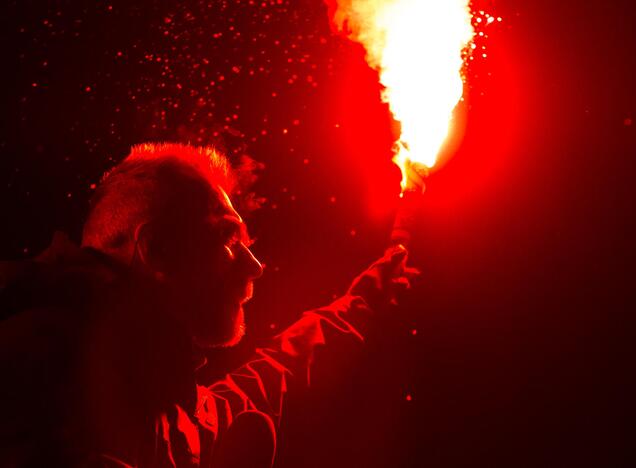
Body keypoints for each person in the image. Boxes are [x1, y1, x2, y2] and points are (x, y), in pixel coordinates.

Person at [0, 143, 417, 467]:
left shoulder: (154, 399)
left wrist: (365, 300)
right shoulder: (38, 364)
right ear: (157, 250)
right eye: (229, 240)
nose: (255, 267)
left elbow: (263, 383)